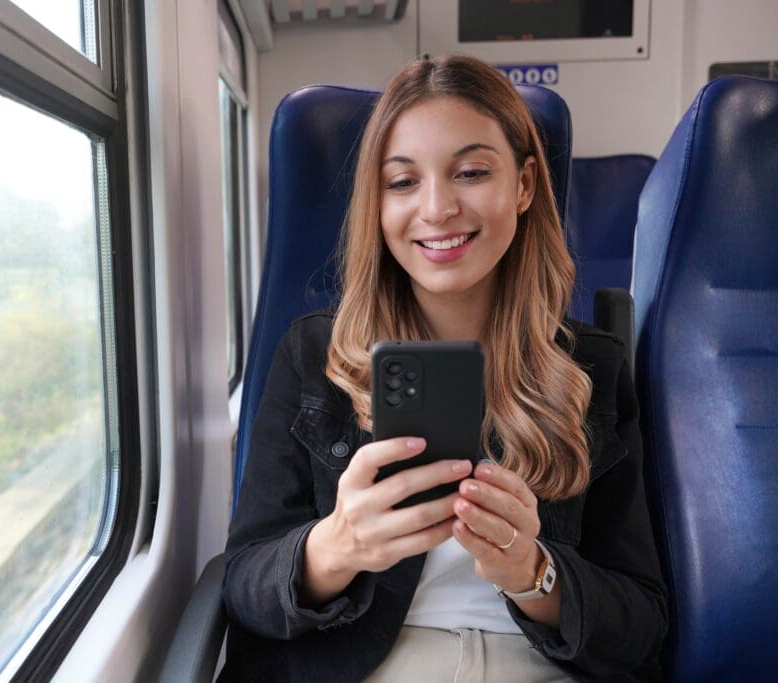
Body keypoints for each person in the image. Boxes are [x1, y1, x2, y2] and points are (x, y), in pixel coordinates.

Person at [220, 55, 667, 682]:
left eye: (472, 171)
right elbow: (243, 587)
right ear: (376, 204)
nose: (436, 208)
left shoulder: (591, 369)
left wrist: (534, 573)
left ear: (525, 185)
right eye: (402, 182)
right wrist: (337, 547)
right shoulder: (313, 357)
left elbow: (641, 622)